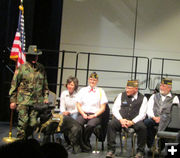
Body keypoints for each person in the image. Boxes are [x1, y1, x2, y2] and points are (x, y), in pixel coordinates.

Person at [9, 45, 49, 140]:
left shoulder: (41, 68)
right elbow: (14, 85)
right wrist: (13, 100)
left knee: (33, 123)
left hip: (36, 102)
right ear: (28, 56)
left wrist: (46, 97)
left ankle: (26, 140)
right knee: (23, 123)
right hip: (24, 101)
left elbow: (45, 85)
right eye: (32, 56)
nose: (34, 58)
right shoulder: (21, 68)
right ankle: (20, 143)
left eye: (36, 56)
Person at [106, 80, 148, 158]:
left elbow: (143, 114)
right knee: (111, 124)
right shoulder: (121, 95)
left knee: (143, 128)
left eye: (129, 88)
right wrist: (121, 119)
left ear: (136, 89)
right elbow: (115, 109)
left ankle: (140, 152)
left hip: (135, 121)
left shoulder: (143, 98)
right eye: (126, 88)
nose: (127, 90)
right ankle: (111, 150)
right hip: (121, 120)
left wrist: (132, 122)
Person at [144, 78, 179, 151]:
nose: (161, 87)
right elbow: (149, 108)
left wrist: (163, 118)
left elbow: (175, 112)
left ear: (169, 88)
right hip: (154, 118)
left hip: (167, 120)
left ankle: (159, 146)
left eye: (163, 86)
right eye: (160, 85)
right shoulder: (154, 96)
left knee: (168, 127)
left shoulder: (174, 98)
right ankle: (151, 145)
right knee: (147, 123)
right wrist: (154, 117)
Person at [76, 72, 108, 151]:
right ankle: (84, 143)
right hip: (83, 113)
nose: (92, 81)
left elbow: (103, 108)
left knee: (90, 125)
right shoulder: (83, 90)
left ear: (97, 81)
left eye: (94, 80)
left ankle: (85, 142)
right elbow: (78, 104)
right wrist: (83, 114)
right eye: (91, 79)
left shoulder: (101, 91)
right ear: (88, 80)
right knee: (78, 123)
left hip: (95, 115)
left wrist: (94, 115)